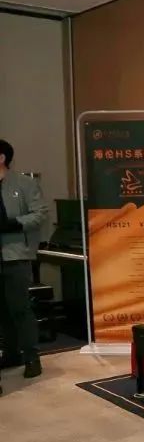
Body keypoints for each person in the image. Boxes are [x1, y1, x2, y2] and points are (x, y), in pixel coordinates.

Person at [0, 139, 49, 394]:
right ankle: (10, 354)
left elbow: (40, 214)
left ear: (1, 158)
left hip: (15, 255)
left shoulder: (24, 184)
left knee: (20, 308)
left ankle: (32, 357)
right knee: (2, 312)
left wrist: (14, 223)